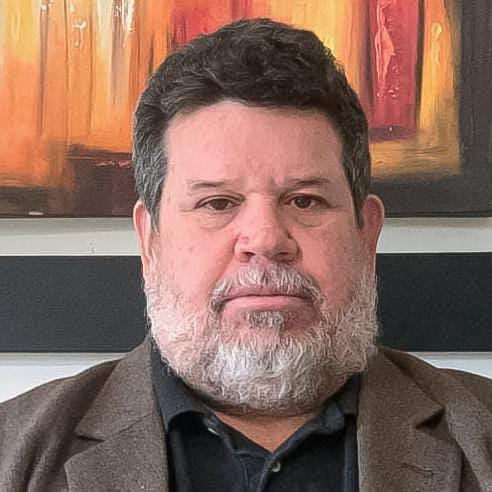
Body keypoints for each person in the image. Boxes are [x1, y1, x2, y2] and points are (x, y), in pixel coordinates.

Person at [1, 18, 491, 492]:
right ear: (150, 241)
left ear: (367, 236)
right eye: (218, 203)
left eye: (305, 201)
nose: (265, 239)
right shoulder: (12, 452)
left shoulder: (482, 435)